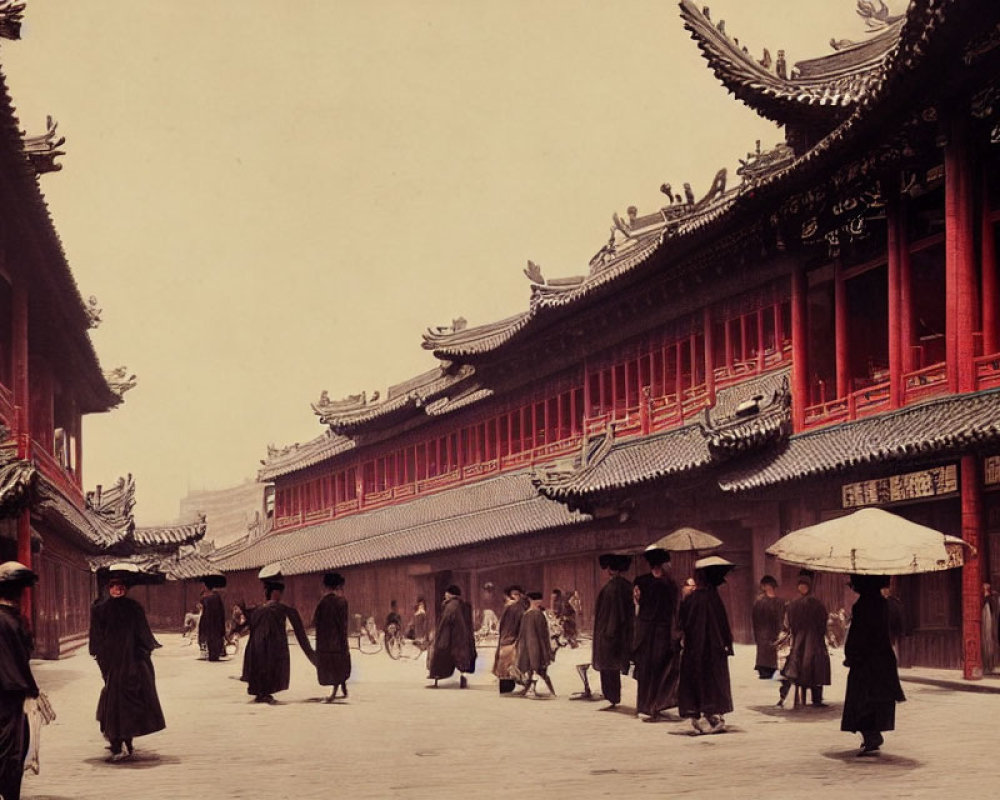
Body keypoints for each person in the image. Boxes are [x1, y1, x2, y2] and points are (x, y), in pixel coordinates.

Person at [89, 566, 166, 761]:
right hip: (112, 663)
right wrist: (102, 658)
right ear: (109, 587)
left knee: (129, 703)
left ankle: (125, 742)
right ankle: (116, 741)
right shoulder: (100, 609)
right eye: (114, 586)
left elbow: (144, 636)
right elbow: (96, 637)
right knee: (113, 701)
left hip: (133, 663)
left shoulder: (134, 608)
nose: (118, 589)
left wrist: (141, 657)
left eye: (122, 586)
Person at [841, 574, 906, 756]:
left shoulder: (862, 606)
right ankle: (873, 735)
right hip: (882, 658)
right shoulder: (885, 604)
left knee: (861, 700)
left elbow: (857, 634)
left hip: (865, 660)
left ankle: (871, 736)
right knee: (877, 700)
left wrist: (851, 654)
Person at [240, 567, 316, 704]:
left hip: (255, 651)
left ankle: (261, 692)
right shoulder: (284, 609)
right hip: (271, 650)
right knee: (271, 660)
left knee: (261, 661)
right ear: (276, 592)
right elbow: (301, 636)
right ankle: (265, 692)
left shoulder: (258, 610)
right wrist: (313, 657)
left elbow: (246, 629)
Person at [678, 556, 735, 735]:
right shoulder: (714, 599)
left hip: (694, 650)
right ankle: (712, 714)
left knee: (696, 681)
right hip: (713, 650)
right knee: (713, 683)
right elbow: (723, 624)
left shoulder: (690, 599)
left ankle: (697, 714)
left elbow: (682, 623)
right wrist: (727, 644)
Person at [0, 562, 39, 800]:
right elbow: (19, 659)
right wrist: (32, 689)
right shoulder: (13, 621)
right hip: (10, 692)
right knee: (11, 747)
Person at [631, 547, 681, 720]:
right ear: (663, 564)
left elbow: (636, 603)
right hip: (662, 632)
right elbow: (675, 610)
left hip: (645, 631)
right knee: (660, 669)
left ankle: (643, 706)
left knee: (645, 669)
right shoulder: (671, 585)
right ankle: (656, 705)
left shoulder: (640, 581)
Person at [591, 553, 634, 707]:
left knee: (608, 667)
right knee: (613, 668)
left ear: (610, 570)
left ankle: (612, 698)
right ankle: (613, 698)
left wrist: (608, 634)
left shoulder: (611, 588)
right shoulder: (627, 586)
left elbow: (614, 614)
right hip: (620, 633)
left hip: (609, 634)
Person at [783, 570, 831, 707]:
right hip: (802, 639)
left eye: (805, 585)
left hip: (812, 639)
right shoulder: (794, 604)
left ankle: (817, 698)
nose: (802, 588)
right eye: (800, 585)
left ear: (809, 587)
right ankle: (804, 696)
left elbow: (822, 621)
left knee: (813, 667)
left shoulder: (814, 603)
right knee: (804, 666)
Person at [427, 585, 476, 688]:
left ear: (449, 594)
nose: (445, 595)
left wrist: (439, 637)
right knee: (461, 658)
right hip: (462, 637)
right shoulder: (463, 605)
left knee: (439, 657)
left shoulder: (450, 606)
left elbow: (445, 623)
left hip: (449, 637)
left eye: (446, 593)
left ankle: (435, 681)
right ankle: (463, 678)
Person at [313, 572, 351, 702]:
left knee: (332, 666)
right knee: (340, 664)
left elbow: (316, 622)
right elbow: (343, 624)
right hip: (337, 640)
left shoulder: (322, 603)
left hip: (325, 641)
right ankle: (340, 687)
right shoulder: (342, 602)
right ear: (339, 586)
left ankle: (337, 689)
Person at [515, 592, 556, 696]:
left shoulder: (534, 614)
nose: (539, 602)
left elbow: (542, 633)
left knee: (537, 669)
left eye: (540, 600)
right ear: (531, 600)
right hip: (532, 644)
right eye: (537, 600)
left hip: (533, 645)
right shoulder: (532, 614)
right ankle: (534, 689)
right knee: (534, 669)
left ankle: (550, 691)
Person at [492, 585, 525, 694]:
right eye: (513, 594)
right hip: (508, 639)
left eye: (517, 594)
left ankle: (508, 687)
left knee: (508, 665)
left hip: (511, 639)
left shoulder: (518, 608)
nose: (515, 596)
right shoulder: (512, 607)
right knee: (506, 665)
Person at [751, 575, 786, 679]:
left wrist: (781, 630)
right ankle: (764, 670)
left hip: (775, 632)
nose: (767, 588)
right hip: (763, 633)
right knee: (764, 655)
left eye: (769, 585)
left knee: (774, 654)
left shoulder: (780, 602)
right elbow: (755, 619)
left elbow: (782, 618)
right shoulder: (760, 602)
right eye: (766, 586)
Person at [198, 575, 227, 661]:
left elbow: (204, 613)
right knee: (216, 639)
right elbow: (222, 612)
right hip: (217, 625)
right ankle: (216, 654)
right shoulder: (217, 597)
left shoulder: (206, 599)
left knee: (210, 639)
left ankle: (210, 654)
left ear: (206, 586)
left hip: (209, 624)